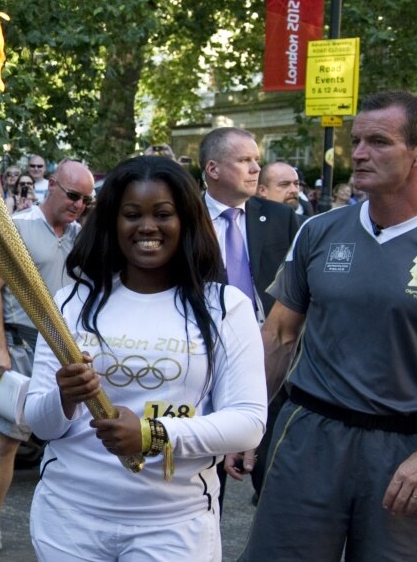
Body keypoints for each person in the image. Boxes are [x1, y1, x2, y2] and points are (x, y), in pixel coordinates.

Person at [241, 91, 417, 561]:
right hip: (308, 434)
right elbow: (281, 335)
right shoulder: (319, 231)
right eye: (357, 140)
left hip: (404, 451)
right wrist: (246, 423)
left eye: (379, 142)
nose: (360, 154)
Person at [25, 156, 266, 561]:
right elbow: (40, 424)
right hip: (70, 518)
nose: (147, 226)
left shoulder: (225, 307)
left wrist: (154, 434)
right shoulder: (70, 304)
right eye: (132, 214)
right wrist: (64, 398)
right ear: (113, 223)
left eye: (164, 214)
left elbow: (248, 422)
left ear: (187, 220)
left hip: (174, 524)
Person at [0, 158, 94, 560]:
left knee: (81, 442)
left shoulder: (81, 237)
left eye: (86, 200)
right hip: (22, 347)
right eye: (73, 195)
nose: (78, 205)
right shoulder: (17, 227)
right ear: (51, 185)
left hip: (68, 352)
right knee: (5, 439)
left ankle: (80, 530)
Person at [199, 128, 299, 500]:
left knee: (272, 472)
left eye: (257, 159)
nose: (256, 167)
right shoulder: (183, 218)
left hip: (267, 356)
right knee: (208, 475)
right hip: (205, 358)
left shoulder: (279, 219)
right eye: (244, 160)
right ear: (213, 168)